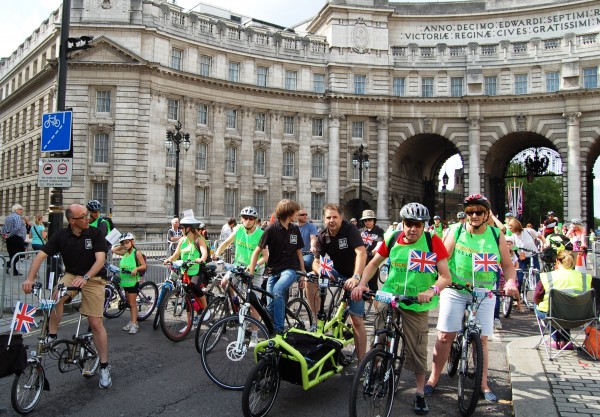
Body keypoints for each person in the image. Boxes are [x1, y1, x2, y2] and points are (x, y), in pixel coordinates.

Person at [352, 202, 452, 415]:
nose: (413, 228)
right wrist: (361, 283)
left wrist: (432, 290)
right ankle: (375, 372)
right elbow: (373, 264)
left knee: (416, 348)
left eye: (418, 224)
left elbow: (445, 276)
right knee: (379, 337)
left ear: (424, 225)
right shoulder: (392, 237)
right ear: (403, 223)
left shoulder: (432, 241)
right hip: (390, 294)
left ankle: (419, 393)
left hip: (417, 300)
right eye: (409, 224)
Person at [424, 194, 519, 402]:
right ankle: (433, 378)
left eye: (478, 212)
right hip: (456, 289)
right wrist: (437, 281)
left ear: (487, 214)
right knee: (444, 336)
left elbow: (508, 266)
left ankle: (483, 383)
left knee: (481, 340)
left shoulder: (496, 235)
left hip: (484, 291)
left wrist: (511, 282)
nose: (474, 215)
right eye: (470, 212)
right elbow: (443, 258)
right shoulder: (456, 231)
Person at [21, 204, 112, 388]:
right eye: (83, 216)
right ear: (72, 221)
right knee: (57, 295)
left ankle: (104, 366)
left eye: (87, 215)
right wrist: (29, 279)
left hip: (93, 277)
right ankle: (52, 335)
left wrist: (86, 277)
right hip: (72, 274)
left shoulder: (95, 233)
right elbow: (40, 256)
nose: (88, 218)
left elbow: (100, 259)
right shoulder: (61, 236)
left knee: (95, 323)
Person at [312, 203, 367, 361]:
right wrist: (322, 271)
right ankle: (317, 319)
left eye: (335, 217)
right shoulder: (322, 236)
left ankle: (362, 362)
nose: (331, 220)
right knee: (310, 277)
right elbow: (316, 262)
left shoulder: (350, 230)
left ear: (341, 218)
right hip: (338, 273)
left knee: (356, 319)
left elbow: (361, 253)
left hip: (357, 275)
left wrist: (356, 277)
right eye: (328, 217)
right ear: (324, 219)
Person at [248, 199, 305, 334]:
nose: (298, 214)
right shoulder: (270, 230)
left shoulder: (295, 229)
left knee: (278, 291)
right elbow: (256, 253)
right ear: (288, 212)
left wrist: (303, 273)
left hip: (291, 269)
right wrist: (251, 273)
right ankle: (273, 335)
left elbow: (299, 252)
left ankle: (279, 330)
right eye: (296, 212)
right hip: (273, 271)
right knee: (270, 307)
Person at [213, 206, 267, 346]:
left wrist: (253, 265)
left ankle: (254, 334)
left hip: (255, 271)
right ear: (241, 219)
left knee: (254, 304)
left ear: (255, 221)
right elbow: (225, 244)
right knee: (224, 282)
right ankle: (235, 304)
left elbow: (266, 257)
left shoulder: (261, 234)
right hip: (238, 266)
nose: (247, 221)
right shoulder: (238, 230)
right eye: (245, 218)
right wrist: (216, 254)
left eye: (251, 219)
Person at [534, 250, 593, 349]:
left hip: (554, 315)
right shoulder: (585, 277)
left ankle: (556, 339)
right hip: (580, 316)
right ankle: (566, 340)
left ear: (557, 261)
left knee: (541, 306)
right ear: (573, 262)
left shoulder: (548, 276)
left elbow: (536, 297)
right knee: (568, 307)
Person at [164, 215, 210, 317]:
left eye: (182, 228)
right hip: (185, 270)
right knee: (187, 295)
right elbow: (176, 255)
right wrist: (169, 259)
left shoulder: (199, 239)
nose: (180, 229)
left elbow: (204, 253)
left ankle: (206, 309)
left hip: (197, 270)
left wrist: (201, 259)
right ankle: (189, 322)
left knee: (194, 287)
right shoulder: (182, 240)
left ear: (189, 228)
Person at [111, 232, 146, 334]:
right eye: (124, 243)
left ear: (132, 242)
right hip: (125, 282)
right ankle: (132, 321)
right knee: (130, 304)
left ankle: (135, 324)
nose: (125, 245)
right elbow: (113, 250)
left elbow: (144, 266)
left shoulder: (137, 253)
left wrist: (136, 268)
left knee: (132, 304)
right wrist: (122, 244)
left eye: (127, 242)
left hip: (132, 282)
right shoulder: (125, 253)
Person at [359, 209, 385, 292]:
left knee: (372, 283)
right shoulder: (360, 231)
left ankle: (374, 298)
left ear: (374, 221)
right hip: (361, 257)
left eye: (370, 220)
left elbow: (380, 243)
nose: (367, 222)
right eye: (365, 220)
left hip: (371, 258)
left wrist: (375, 250)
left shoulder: (379, 231)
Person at [2, 204, 27, 275]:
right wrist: (9, 235)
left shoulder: (8, 217)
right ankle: (7, 264)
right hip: (16, 238)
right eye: (20, 209)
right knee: (20, 254)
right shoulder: (17, 217)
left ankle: (14, 271)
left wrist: (4, 234)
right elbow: (17, 228)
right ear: (15, 210)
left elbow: (4, 227)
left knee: (12, 254)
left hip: (10, 238)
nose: (22, 211)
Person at [297, 208, 318, 272]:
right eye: (302, 214)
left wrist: (312, 246)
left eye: (306, 214)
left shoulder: (311, 226)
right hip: (295, 254)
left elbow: (313, 238)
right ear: (297, 216)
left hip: (307, 253)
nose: (305, 216)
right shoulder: (293, 227)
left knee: (307, 263)